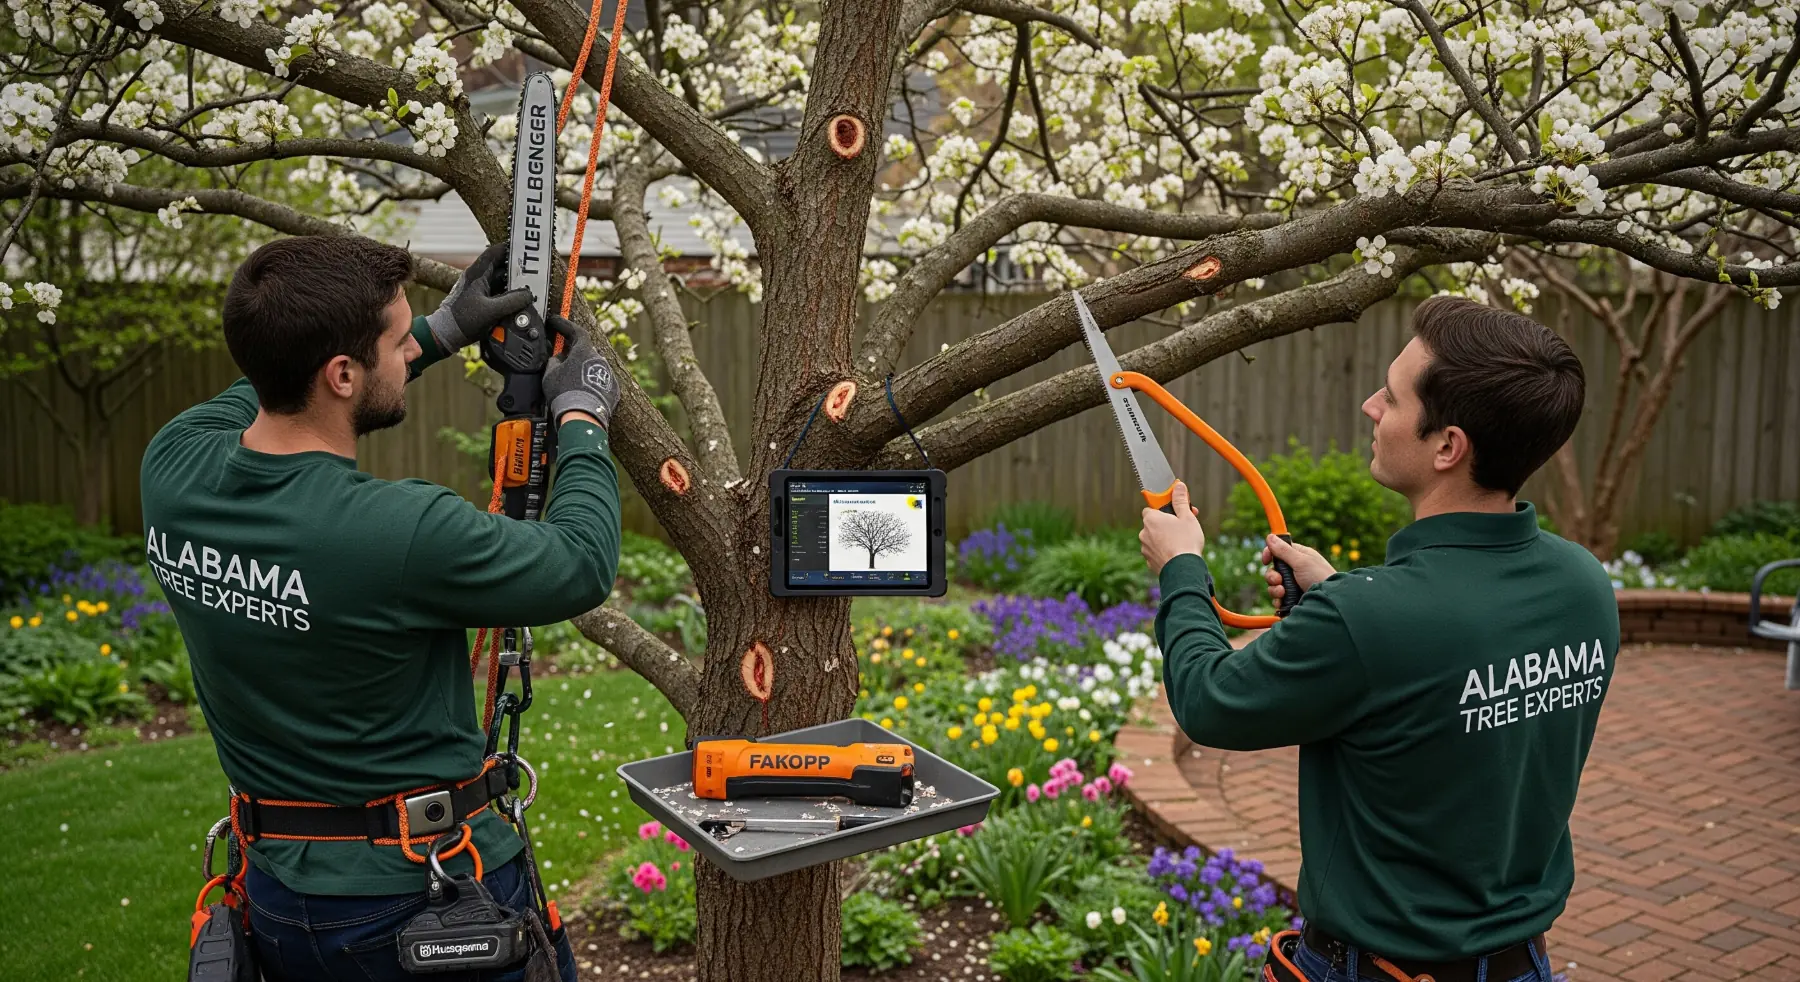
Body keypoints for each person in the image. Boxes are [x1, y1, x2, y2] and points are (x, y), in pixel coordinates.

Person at [140, 235, 623, 982]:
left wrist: (442, 328)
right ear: (341, 374)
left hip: (275, 895)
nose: (411, 353)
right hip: (423, 903)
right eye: (399, 343)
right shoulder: (395, 531)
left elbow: (274, 385)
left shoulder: (174, 462)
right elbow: (579, 565)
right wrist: (584, 418)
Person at [1139, 297, 1616, 982]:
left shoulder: (1373, 620)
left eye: (1390, 399)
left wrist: (1182, 569)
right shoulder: (1583, 585)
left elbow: (1210, 702)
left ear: (1448, 446)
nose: (1369, 406)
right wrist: (1338, 593)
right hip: (1522, 965)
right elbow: (1447, 666)